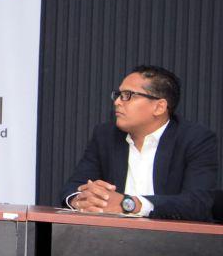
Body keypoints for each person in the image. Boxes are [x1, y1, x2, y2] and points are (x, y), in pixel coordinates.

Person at [61, 65, 218, 222]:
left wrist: (129, 204)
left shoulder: (195, 139)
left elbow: (197, 203)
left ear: (159, 107)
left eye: (127, 95)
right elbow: (74, 186)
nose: (117, 102)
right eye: (118, 95)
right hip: (109, 233)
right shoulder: (105, 135)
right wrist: (82, 200)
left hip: (169, 234)